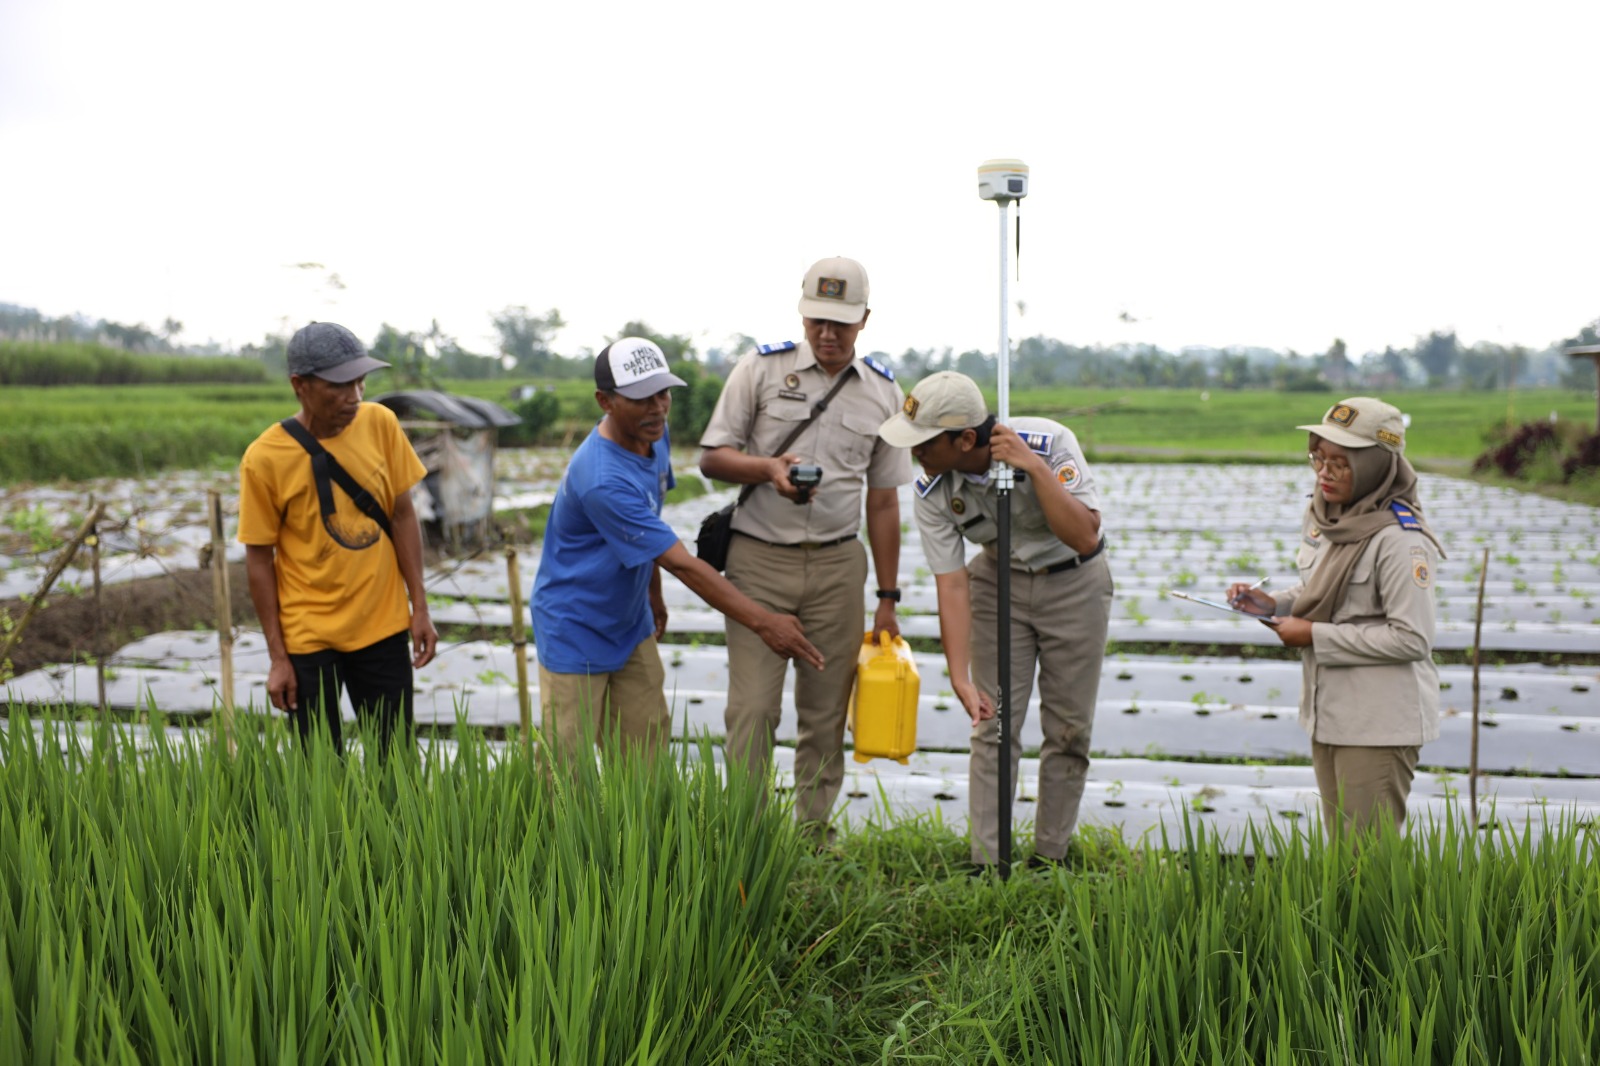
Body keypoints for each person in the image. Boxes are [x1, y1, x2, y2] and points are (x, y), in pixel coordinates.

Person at [699, 257, 913, 834]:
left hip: (840, 568)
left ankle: (813, 835)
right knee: (752, 708)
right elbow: (712, 458)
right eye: (817, 319)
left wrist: (887, 596)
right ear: (802, 312)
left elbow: (885, 500)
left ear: (864, 319)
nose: (827, 333)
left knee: (823, 714)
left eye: (840, 322)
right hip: (757, 563)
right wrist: (767, 469)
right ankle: (746, 832)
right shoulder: (760, 370)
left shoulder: (884, 392)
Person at [532, 338, 823, 760]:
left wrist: (652, 596)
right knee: (566, 767)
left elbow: (650, 526)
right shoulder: (601, 478)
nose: (658, 407)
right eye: (640, 398)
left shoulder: (654, 436)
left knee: (645, 752)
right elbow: (681, 563)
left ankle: (639, 829)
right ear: (605, 401)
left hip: (629, 624)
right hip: (575, 627)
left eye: (663, 393)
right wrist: (764, 623)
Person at [878, 372, 1113, 872]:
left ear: (965, 440)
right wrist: (960, 676)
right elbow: (953, 583)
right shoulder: (932, 489)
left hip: (1073, 582)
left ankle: (1051, 854)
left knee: (1069, 728)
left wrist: (1033, 469)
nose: (914, 452)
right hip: (994, 581)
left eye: (923, 443)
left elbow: (1086, 538)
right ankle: (987, 860)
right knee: (992, 721)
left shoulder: (1048, 444)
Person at [1226, 397, 1443, 835]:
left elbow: (1411, 639)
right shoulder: (1329, 517)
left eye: (1341, 463)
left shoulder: (1399, 540)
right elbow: (1323, 591)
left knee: (1367, 860)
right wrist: (1274, 604)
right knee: (1342, 854)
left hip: (1377, 723)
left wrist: (1314, 635)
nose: (1324, 472)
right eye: (1318, 457)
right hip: (1330, 711)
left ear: (1375, 466)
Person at [238, 321, 438, 756]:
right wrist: (277, 657)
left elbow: (403, 514)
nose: (355, 396)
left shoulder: (381, 424)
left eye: (360, 381)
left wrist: (419, 607)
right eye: (339, 385)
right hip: (308, 637)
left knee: (396, 763)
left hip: (382, 628)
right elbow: (258, 559)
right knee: (321, 772)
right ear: (300, 385)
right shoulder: (264, 458)